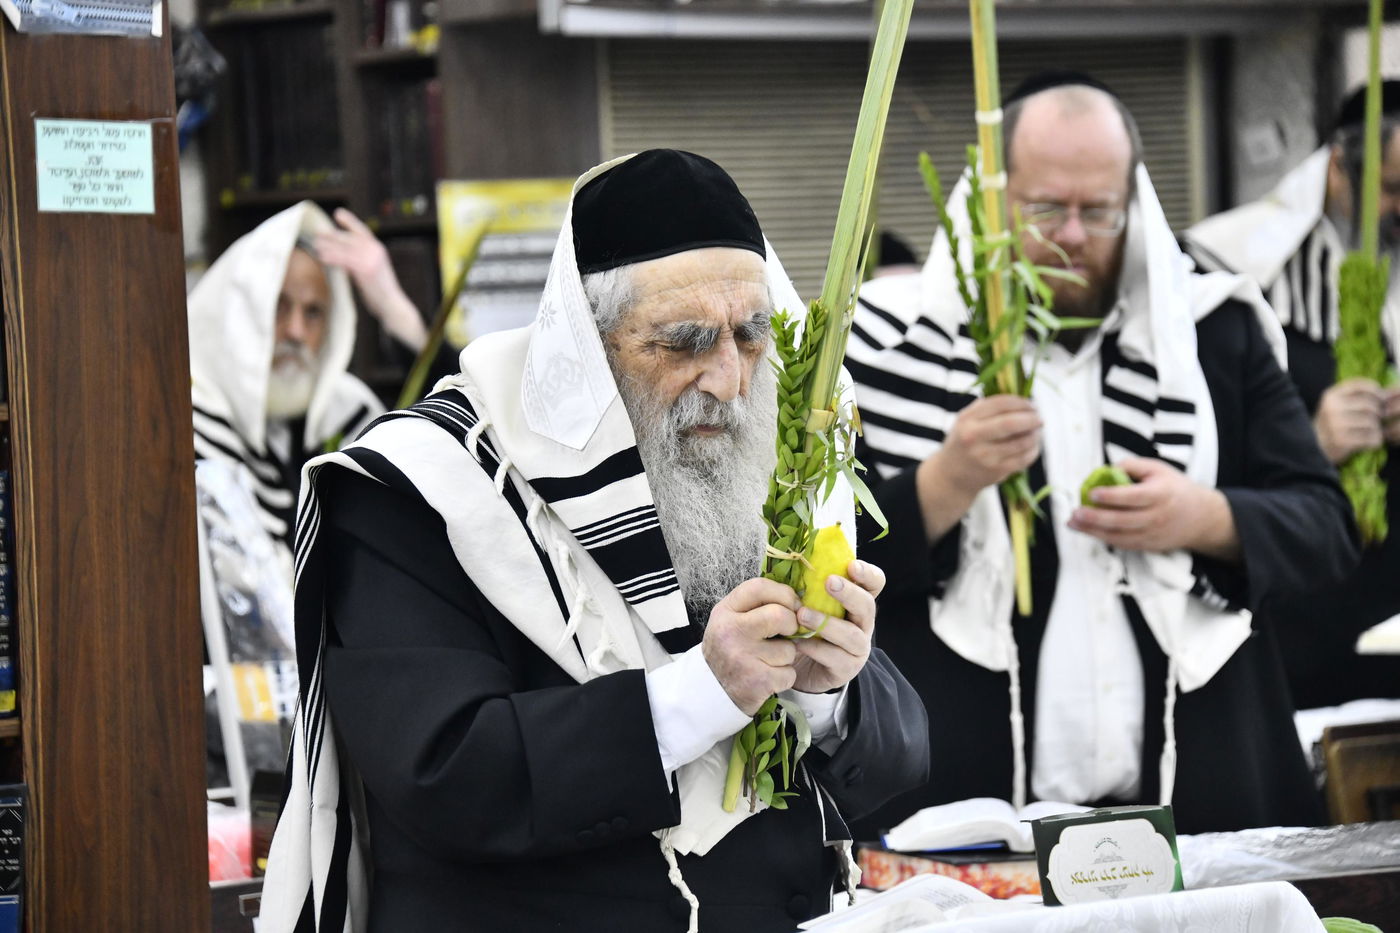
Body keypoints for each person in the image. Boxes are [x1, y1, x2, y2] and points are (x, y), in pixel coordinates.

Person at [260, 150, 929, 933]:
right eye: (683, 342)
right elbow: (445, 773)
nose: (731, 380)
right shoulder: (421, 487)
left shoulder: (766, 459)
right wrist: (703, 692)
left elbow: (899, 757)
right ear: (583, 351)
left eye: (749, 336)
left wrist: (825, 693)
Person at [846, 73, 1358, 838]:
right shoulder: (898, 349)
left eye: (1100, 210)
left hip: (1202, 786)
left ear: (1136, 202)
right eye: (1047, 208)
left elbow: (1326, 527)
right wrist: (947, 482)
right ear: (993, 200)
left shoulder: (1214, 331)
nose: (1075, 235)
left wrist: (1208, 517)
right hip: (972, 803)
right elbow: (825, 570)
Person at [1185, 83, 1400, 710]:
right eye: (1391, 190)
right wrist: (1310, 443)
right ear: (1338, 168)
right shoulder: (1227, 268)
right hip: (1299, 616)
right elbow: (1198, 449)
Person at [189, 201, 386, 563]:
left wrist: (396, 313)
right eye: (278, 306)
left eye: (313, 313)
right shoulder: (192, 422)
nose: (296, 332)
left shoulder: (350, 410)